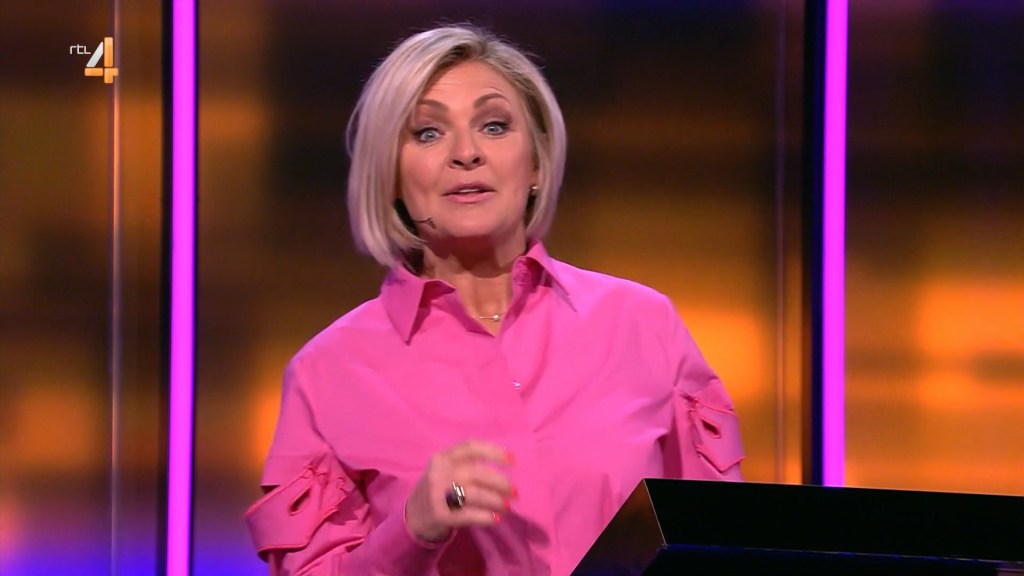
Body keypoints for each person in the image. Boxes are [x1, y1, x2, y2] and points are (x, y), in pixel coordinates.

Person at [245, 24, 744, 576]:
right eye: (428, 133)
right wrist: (412, 530)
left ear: (536, 164)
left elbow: (719, 543)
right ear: (390, 177)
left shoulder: (644, 324)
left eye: (494, 126)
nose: (466, 153)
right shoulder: (327, 373)